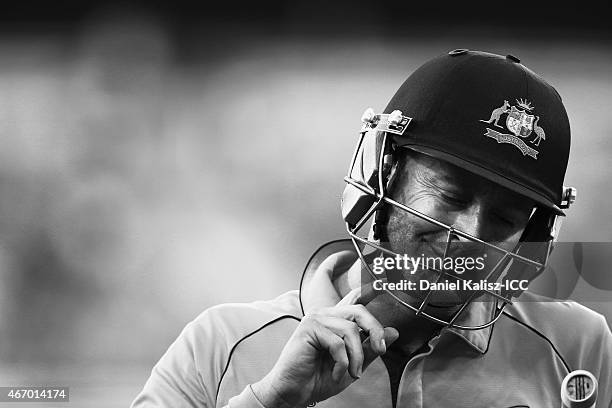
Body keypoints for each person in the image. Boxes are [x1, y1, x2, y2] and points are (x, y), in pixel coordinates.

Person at [131, 50, 612, 408]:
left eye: (505, 219)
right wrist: (271, 400)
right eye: (450, 195)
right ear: (384, 173)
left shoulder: (577, 348)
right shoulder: (221, 343)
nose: (470, 232)